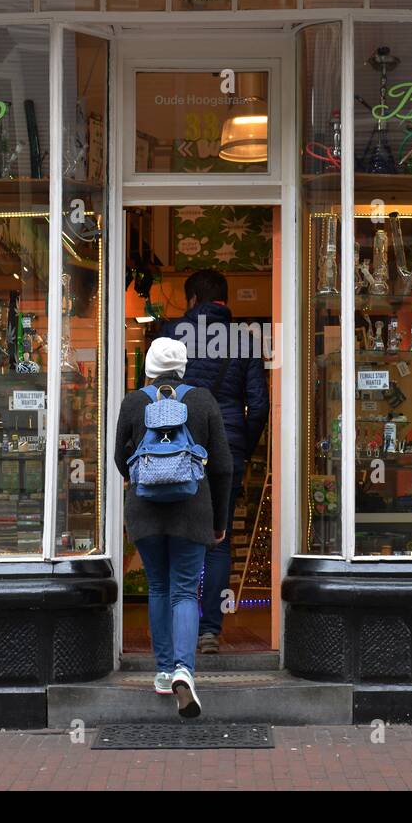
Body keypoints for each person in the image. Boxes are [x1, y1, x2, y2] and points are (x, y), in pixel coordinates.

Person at [114, 337, 232, 718]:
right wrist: (219, 522)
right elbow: (223, 466)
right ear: (183, 366)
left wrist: (145, 482)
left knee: (159, 587)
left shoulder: (134, 401)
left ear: (149, 366)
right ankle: (185, 669)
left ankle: (164, 671)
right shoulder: (202, 400)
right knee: (184, 590)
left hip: (145, 512)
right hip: (192, 509)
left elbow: (119, 458)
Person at [164, 268, 269, 653]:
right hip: (228, 451)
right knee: (219, 542)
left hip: (179, 448)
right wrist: (243, 445)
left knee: (178, 535)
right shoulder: (245, 339)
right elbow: (258, 405)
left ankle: (179, 628)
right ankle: (210, 630)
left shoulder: (172, 334)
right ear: (226, 300)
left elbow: (155, 395)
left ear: (193, 300)